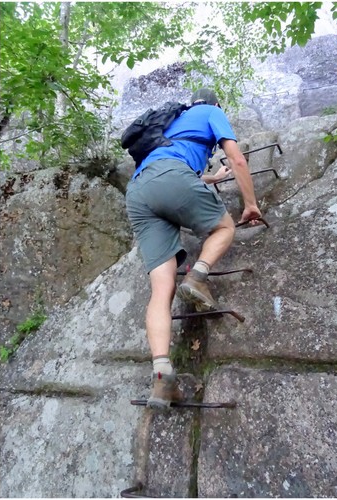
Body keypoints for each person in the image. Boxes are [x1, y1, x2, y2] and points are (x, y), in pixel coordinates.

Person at [125, 88, 263, 409]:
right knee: (224, 227)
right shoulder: (211, 112)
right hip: (171, 178)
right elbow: (237, 158)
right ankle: (198, 276)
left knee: (161, 291)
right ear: (216, 104)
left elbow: (173, 173)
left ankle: (161, 375)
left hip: (138, 191)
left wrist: (212, 179)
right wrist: (251, 205)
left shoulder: (172, 123)